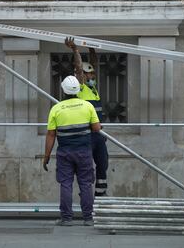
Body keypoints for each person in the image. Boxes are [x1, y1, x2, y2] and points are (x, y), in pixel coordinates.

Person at [43, 75, 101, 226]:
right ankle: (88, 218)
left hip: (65, 153)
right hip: (84, 152)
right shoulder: (88, 106)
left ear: (63, 90)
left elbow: (51, 135)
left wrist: (46, 156)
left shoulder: (56, 109)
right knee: (86, 184)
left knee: (66, 184)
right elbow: (96, 128)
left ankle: (67, 218)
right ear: (77, 90)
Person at [64, 37, 109, 197]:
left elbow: (94, 63)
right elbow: (78, 68)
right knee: (86, 168)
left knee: (103, 164)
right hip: (87, 135)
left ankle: (101, 195)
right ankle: (87, 196)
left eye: (92, 74)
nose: (91, 77)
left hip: (99, 135)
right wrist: (76, 50)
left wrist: (91, 47)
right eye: (87, 74)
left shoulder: (93, 88)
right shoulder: (80, 87)